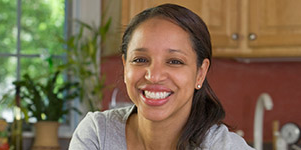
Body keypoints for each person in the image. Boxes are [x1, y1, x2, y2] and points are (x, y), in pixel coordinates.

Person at [69, 3, 254, 150]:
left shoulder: (221, 146)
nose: (154, 76)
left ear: (200, 73)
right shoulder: (97, 134)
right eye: (140, 59)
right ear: (125, 67)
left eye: (174, 61)